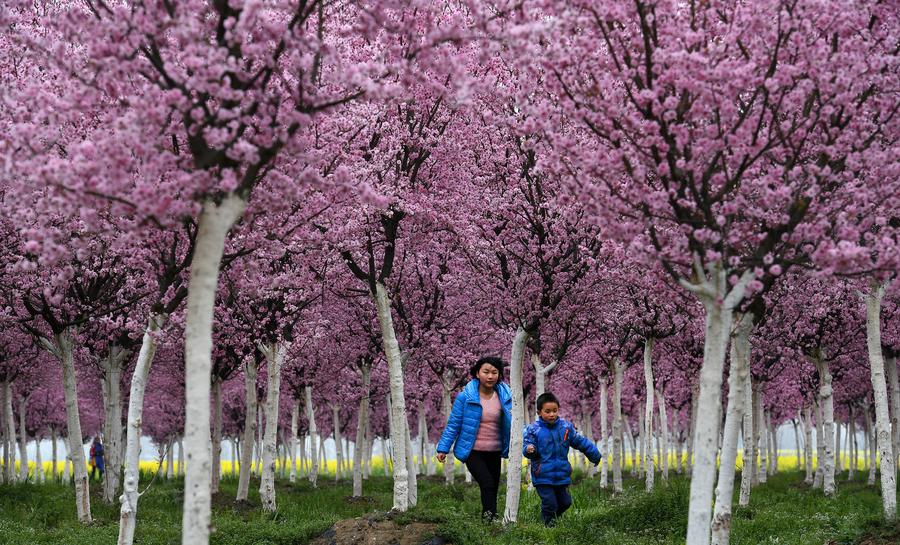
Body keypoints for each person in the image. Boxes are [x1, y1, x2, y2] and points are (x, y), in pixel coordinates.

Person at [436, 356, 512, 522]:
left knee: (493, 485)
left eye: (494, 372)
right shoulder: (466, 397)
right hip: (473, 450)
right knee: (487, 483)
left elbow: (515, 422)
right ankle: (489, 520)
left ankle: (490, 519)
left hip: (495, 450)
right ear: (477, 373)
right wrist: (443, 448)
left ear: (499, 375)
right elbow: (454, 424)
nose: (490, 376)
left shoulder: (506, 397)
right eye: (486, 372)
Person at [523, 392, 601, 527]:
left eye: (555, 411)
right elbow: (527, 445)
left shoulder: (565, 428)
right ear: (539, 412)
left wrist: (594, 454)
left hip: (561, 474)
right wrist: (529, 449)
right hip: (542, 475)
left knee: (566, 502)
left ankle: (551, 519)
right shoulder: (533, 429)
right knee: (550, 503)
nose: (552, 414)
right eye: (547, 411)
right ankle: (547, 526)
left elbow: (579, 441)